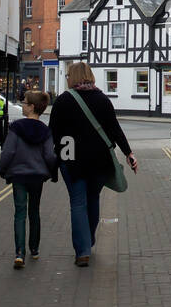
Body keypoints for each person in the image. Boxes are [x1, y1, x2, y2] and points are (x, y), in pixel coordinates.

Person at [49, 62, 137, 267]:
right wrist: (128, 153)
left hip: (71, 159)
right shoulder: (102, 99)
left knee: (78, 203)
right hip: (100, 159)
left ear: (72, 77)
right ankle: (88, 239)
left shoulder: (63, 100)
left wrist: (51, 158)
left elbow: (53, 132)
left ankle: (83, 251)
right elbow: (115, 129)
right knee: (93, 198)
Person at [0, 90, 58, 268]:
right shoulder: (45, 131)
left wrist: (3, 169)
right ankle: (35, 248)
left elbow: (8, 152)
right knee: (34, 211)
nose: (22, 105)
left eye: (24, 103)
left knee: (20, 212)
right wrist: (52, 171)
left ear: (31, 107)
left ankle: (19, 253)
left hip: (18, 175)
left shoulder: (16, 128)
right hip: (37, 176)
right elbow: (49, 155)